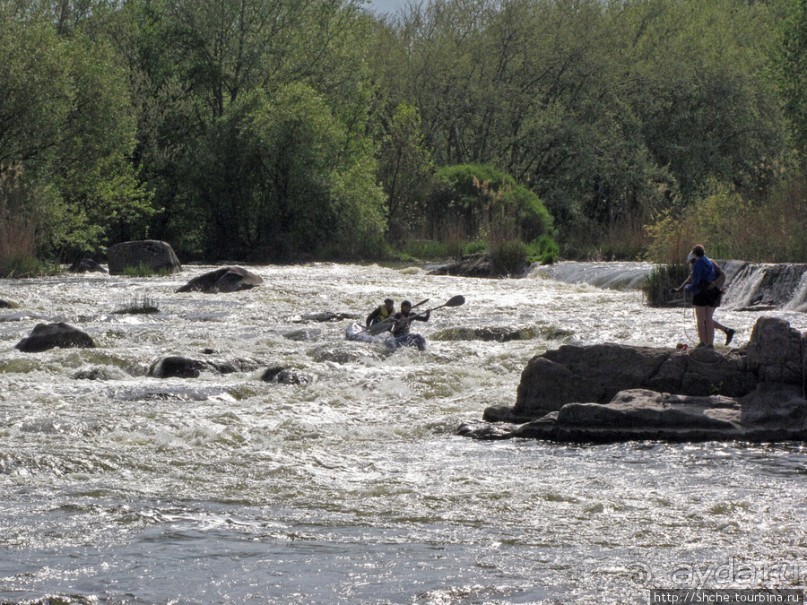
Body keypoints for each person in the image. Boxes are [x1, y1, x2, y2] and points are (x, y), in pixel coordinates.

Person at [673, 245, 735, 348]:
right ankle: (711, 343)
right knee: (708, 319)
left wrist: (687, 288)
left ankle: (703, 343)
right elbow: (691, 278)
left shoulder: (700, 264)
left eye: (692, 262)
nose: (692, 264)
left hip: (704, 293)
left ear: (694, 256)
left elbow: (696, 281)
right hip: (713, 293)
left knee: (701, 320)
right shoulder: (708, 262)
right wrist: (679, 289)